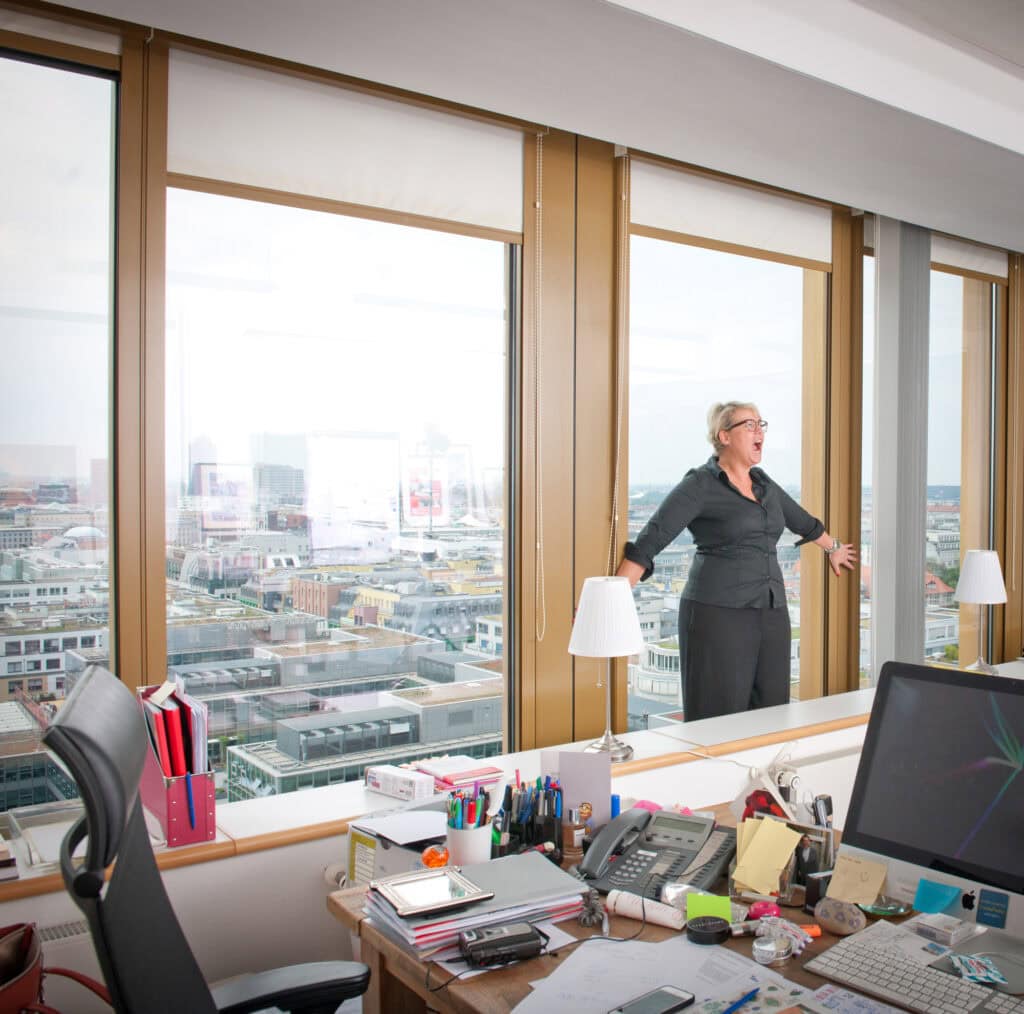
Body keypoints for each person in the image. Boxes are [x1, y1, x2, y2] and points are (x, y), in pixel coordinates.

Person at [616, 401, 856, 722]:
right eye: (750, 425)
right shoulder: (700, 485)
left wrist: (834, 547)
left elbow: (802, 521)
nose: (760, 432)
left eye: (762, 425)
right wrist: (613, 598)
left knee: (771, 713)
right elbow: (651, 539)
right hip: (717, 615)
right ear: (724, 436)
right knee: (719, 718)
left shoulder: (763, 483)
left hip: (771, 613)